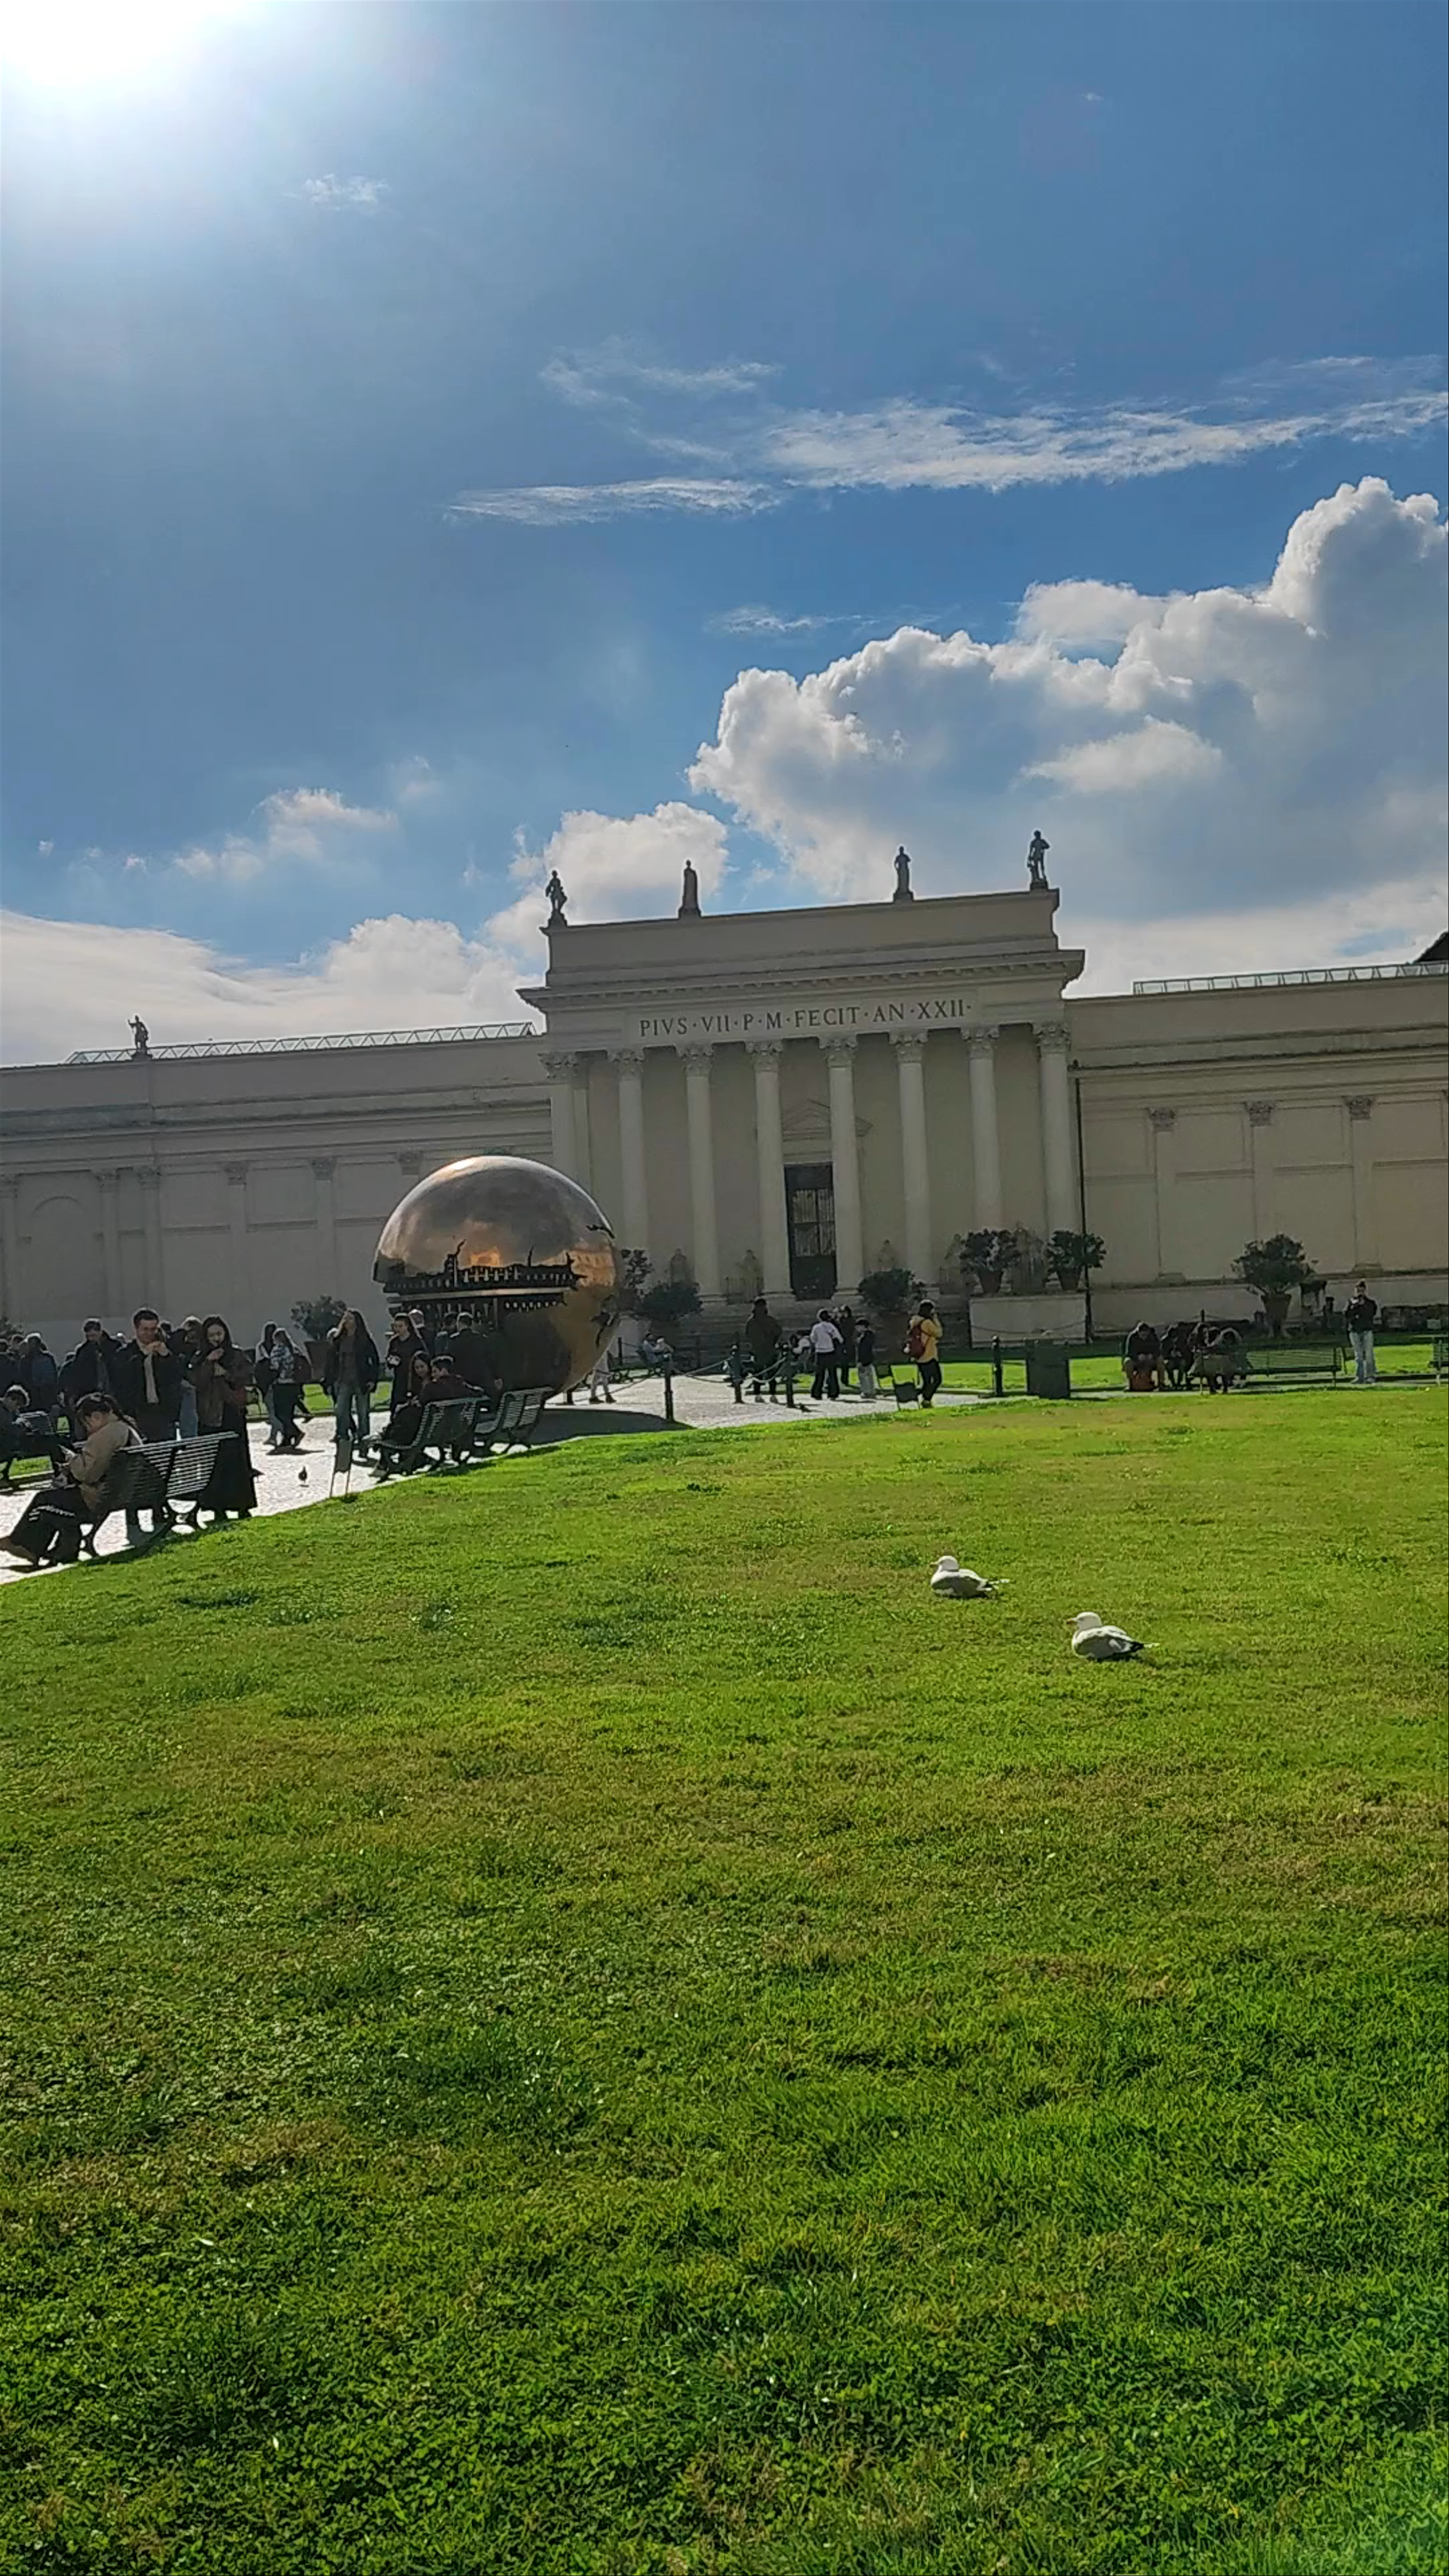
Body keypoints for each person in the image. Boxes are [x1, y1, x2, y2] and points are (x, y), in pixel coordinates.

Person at [0, 1393, 139, 1566]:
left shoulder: (105, 1436)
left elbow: (86, 1474)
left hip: (98, 1499)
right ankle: (37, 1547)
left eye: (87, 1424)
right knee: (53, 1498)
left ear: (96, 1416)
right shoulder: (127, 1429)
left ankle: (25, 1545)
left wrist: (72, 1461)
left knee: (45, 1500)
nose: (88, 1430)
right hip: (120, 1495)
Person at [191, 1316, 258, 1520]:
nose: (216, 1339)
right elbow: (197, 1382)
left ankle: (241, 1504)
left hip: (232, 1413)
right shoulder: (200, 1357)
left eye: (219, 1334)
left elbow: (247, 1376)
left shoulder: (237, 1355)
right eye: (212, 1335)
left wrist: (226, 1374)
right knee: (215, 1463)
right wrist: (209, 1363)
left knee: (237, 1461)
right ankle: (217, 1506)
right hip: (210, 1416)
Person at [113, 1308, 183, 1443]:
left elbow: (177, 1375)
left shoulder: (165, 1348)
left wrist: (167, 1357)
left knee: (166, 1454)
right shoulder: (124, 1353)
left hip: (163, 1412)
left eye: (153, 1329)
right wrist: (143, 1355)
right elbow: (123, 1378)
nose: (149, 1334)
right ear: (137, 1329)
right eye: (145, 1330)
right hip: (138, 1412)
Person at [326, 1309, 382, 1457]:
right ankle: (343, 1439)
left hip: (360, 1380)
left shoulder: (364, 1340)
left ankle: (364, 1444)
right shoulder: (339, 1340)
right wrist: (330, 1380)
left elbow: (374, 1360)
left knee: (363, 1413)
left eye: (350, 1319)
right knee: (340, 1411)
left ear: (357, 1322)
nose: (347, 1322)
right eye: (345, 1319)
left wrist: (373, 1380)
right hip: (343, 1380)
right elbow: (331, 1361)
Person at [59, 1320, 120, 1432]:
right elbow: (78, 1375)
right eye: (89, 1336)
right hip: (92, 1393)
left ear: (100, 1333)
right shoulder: (83, 1351)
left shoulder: (114, 1347)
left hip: (114, 1391)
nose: (92, 1339)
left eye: (94, 1336)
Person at [0, 1385, 66, 1481]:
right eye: (17, 1405)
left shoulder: (11, 1410)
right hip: (9, 1444)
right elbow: (9, 1429)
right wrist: (21, 1427)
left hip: (18, 1441)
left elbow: (21, 1420)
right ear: (10, 1399)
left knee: (54, 1441)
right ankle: (61, 1473)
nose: (17, 1409)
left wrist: (24, 1425)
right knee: (52, 1444)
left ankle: (61, 1471)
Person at [267, 1329, 306, 1450]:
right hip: (294, 1384)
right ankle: (287, 1439)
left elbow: (275, 1366)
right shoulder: (294, 1349)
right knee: (289, 1413)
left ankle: (296, 1432)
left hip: (281, 1385)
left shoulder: (278, 1350)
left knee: (280, 1413)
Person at [743, 1296, 783, 1401]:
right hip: (769, 1349)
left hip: (757, 1350)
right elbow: (778, 1332)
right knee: (772, 1374)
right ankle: (773, 1395)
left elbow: (748, 1335)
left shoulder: (751, 1322)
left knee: (758, 1373)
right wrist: (772, 1342)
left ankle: (758, 1395)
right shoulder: (770, 1320)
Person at [905, 1298, 942, 1407]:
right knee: (937, 1380)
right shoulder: (927, 1323)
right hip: (929, 1355)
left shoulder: (914, 1321)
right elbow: (939, 1333)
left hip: (919, 1355)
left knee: (926, 1381)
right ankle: (926, 1399)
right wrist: (936, 1319)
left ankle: (923, 1396)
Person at [1345, 1280, 1379, 1384]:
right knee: (1358, 1355)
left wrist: (1363, 1306)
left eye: (1362, 1291)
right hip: (1355, 1331)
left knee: (1369, 1354)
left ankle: (1370, 1376)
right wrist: (1355, 1306)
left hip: (1367, 1330)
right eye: (1358, 1290)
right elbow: (1347, 1315)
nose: (1360, 1293)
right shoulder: (1351, 1303)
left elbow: (1371, 1314)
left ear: (1365, 1291)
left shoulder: (1370, 1303)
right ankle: (1360, 1377)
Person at [807, 1307, 843, 1401]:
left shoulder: (816, 1327)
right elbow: (840, 1339)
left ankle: (817, 1393)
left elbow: (813, 1339)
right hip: (830, 1352)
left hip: (820, 1352)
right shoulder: (831, 1327)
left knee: (819, 1375)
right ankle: (833, 1393)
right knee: (832, 1374)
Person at [1123, 1320, 1162, 1391]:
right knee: (1127, 1362)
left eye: (1146, 1335)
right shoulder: (1132, 1337)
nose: (1145, 1337)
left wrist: (1152, 1356)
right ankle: (1131, 1385)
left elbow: (1158, 1350)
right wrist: (1137, 1357)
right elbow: (1129, 1352)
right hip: (1137, 1360)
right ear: (1139, 1333)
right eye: (1143, 1335)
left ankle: (1161, 1384)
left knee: (1160, 1360)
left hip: (1151, 1359)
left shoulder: (1153, 1336)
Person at [856, 1318, 880, 1401]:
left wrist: (860, 1361)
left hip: (865, 1358)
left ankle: (867, 1392)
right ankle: (871, 1391)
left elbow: (863, 1349)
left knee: (864, 1376)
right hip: (868, 1358)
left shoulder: (865, 1336)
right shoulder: (869, 1335)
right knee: (869, 1376)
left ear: (863, 1326)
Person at [835, 1306, 858, 1389]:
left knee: (845, 1362)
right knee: (843, 1363)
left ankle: (845, 1380)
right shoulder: (840, 1321)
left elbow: (849, 1332)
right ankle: (843, 1380)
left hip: (847, 1343)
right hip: (841, 1343)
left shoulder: (850, 1321)